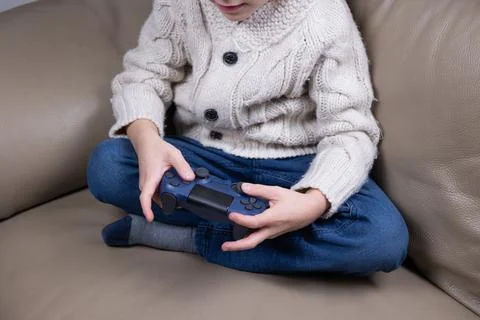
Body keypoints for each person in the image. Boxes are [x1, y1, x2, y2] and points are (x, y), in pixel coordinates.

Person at [87, 0, 409, 275]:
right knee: (108, 166)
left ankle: (190, 238)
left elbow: (350, 129)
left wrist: (312, 202)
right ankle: (243, 225)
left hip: (294, 169)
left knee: (383, 238)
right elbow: (144, 75)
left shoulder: (323, 15)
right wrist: (148, 143)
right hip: (202, 160)